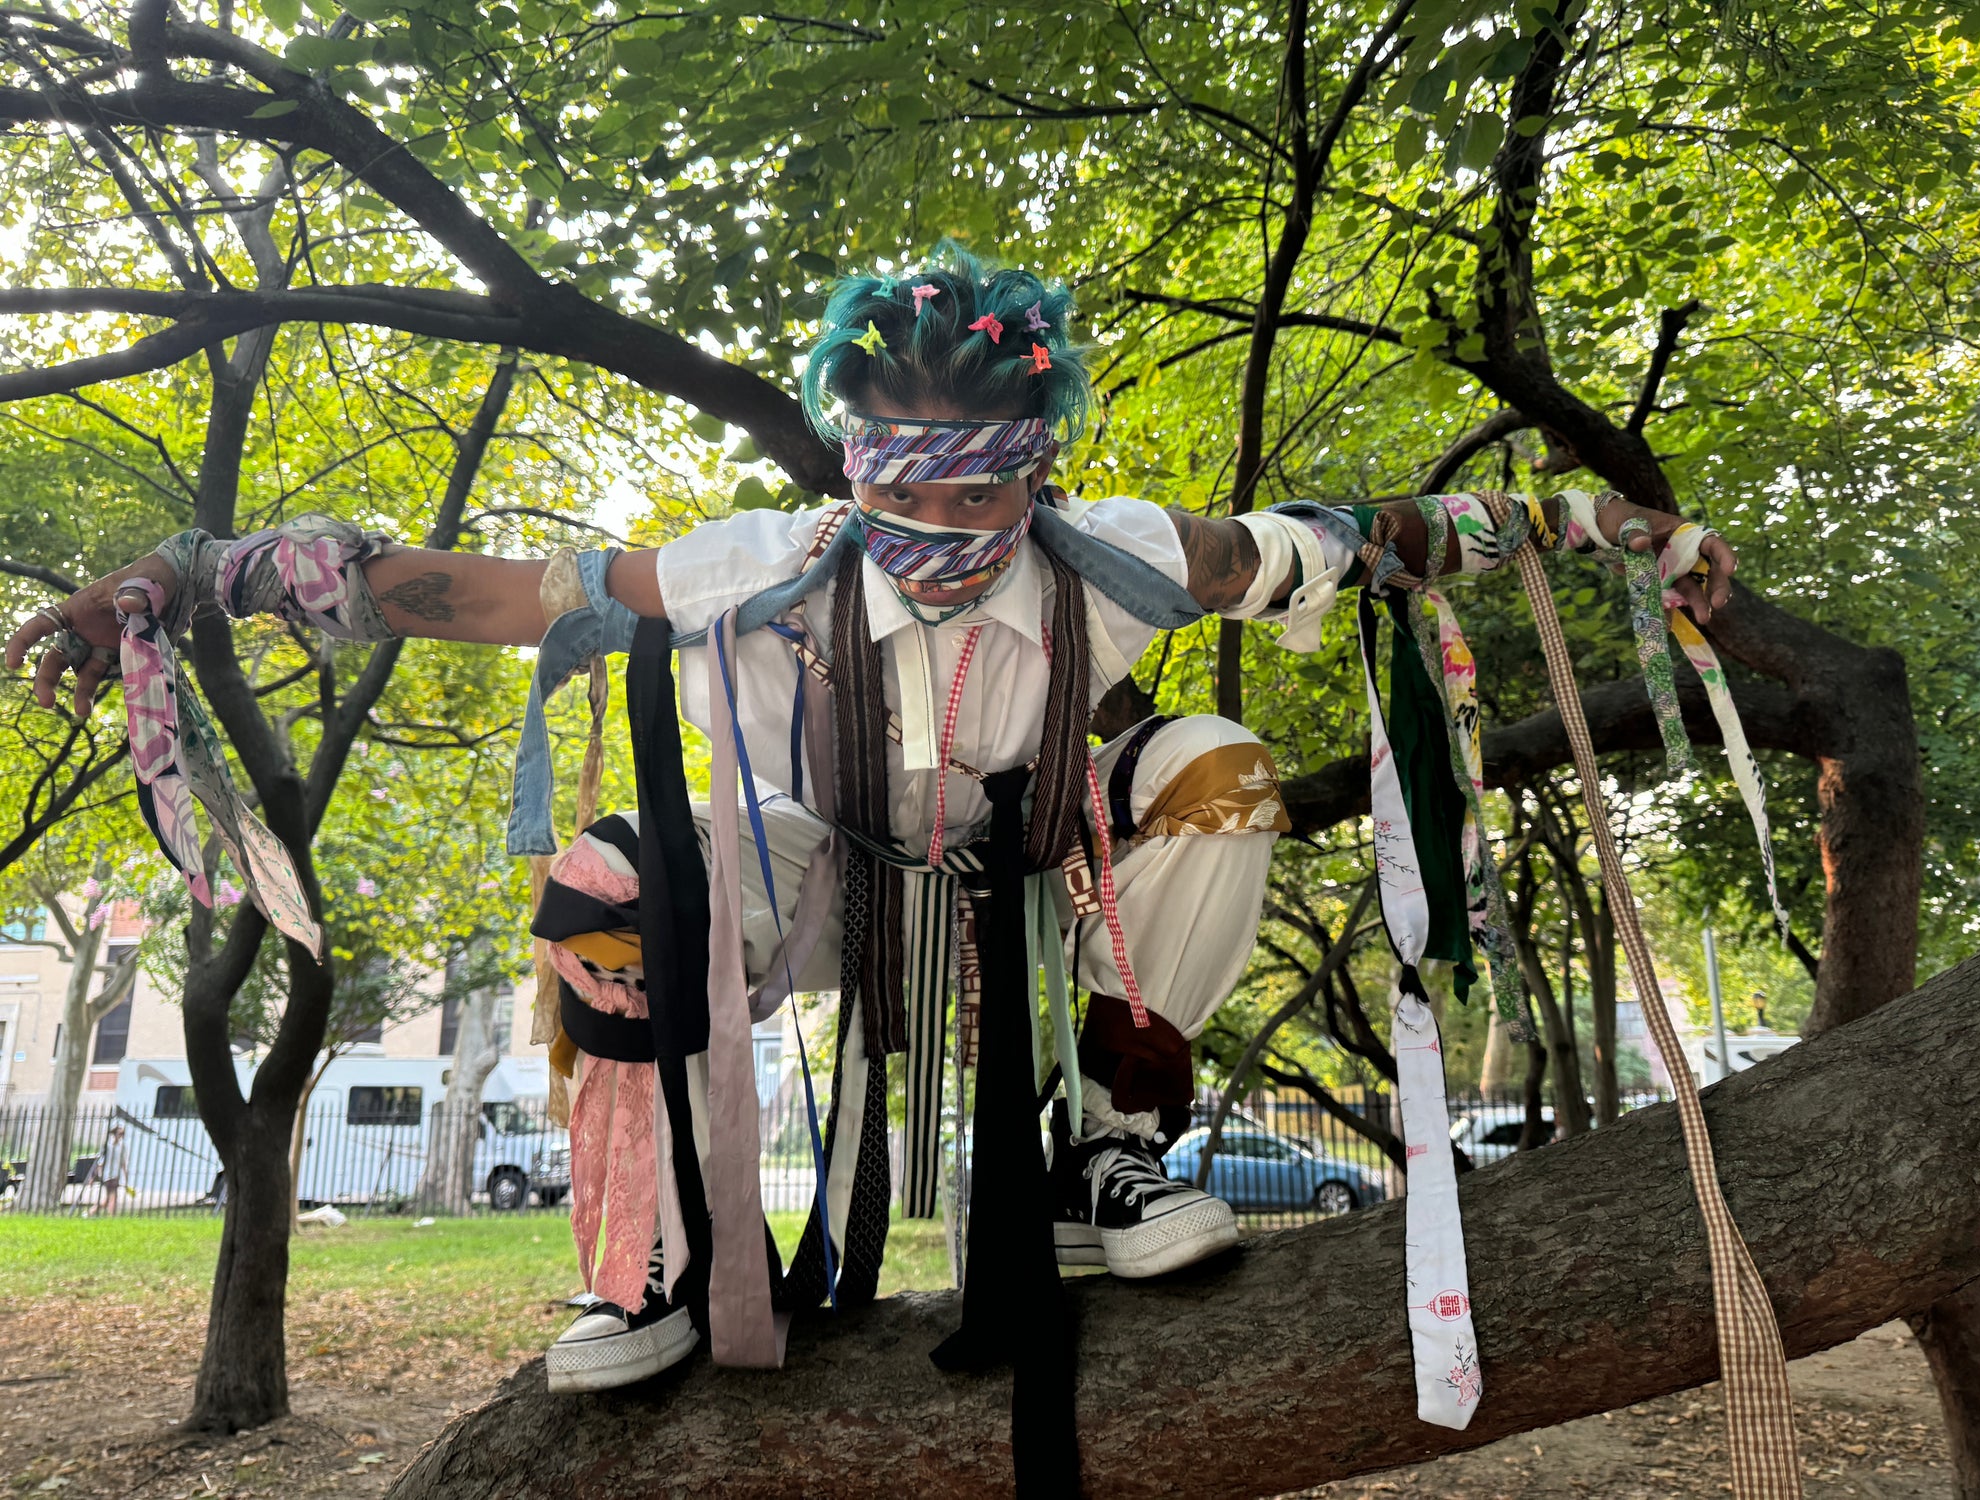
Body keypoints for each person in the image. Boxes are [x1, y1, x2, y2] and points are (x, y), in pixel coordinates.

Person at [7, 246, 1734, 1478]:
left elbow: (1377, 535)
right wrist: (178, 569)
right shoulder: (747, 562)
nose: (941, 540)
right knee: (610, 881)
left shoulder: (1129, 553)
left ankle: (1106, 1160)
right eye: (903, 494)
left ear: (1039, 468)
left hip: (1049, 863)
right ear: (849, 461)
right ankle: (666, 1258)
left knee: (1216, 763)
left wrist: (1616, 526)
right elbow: (456, 588)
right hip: (813, 867)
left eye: (983, 501)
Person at [88, 1123, 128, 1217]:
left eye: (122, 1134)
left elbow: (123, 1164)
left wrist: (126, 1177)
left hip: (116, 1175)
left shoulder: (122, 1147)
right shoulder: (107, 1147)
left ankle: (90, 1212)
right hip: (107, 1175)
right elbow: (100, 1163)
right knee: (112, 1197)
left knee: (108, 1199)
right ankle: (111, 1217)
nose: (121, 1136)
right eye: (119, 1134)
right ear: (113, 1134)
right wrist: (93, 1177)